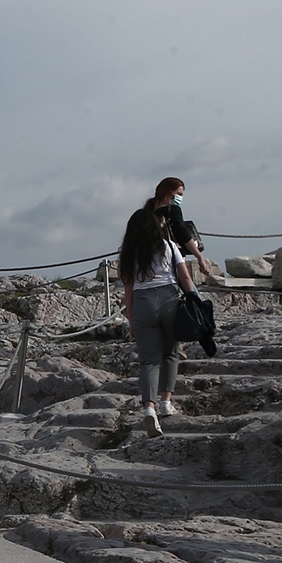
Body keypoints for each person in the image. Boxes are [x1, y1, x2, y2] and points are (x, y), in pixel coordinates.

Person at [118, 207, 199, 436]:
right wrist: (195, 300)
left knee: (148, 361)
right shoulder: (169, 247)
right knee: (171, 353)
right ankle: (166, 401)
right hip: (169, 298)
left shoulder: (128, 254)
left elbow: (128, 288)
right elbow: (184, 277)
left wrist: (132, 320)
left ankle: (149, 410)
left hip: (143, 301)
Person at [150, 177, 212, 278]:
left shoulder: (149, 214)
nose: (181, 197)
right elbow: (182, 234)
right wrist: (199, 257)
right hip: (172, 261)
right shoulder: (173, 210)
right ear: (168, 194)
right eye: (179, 194)